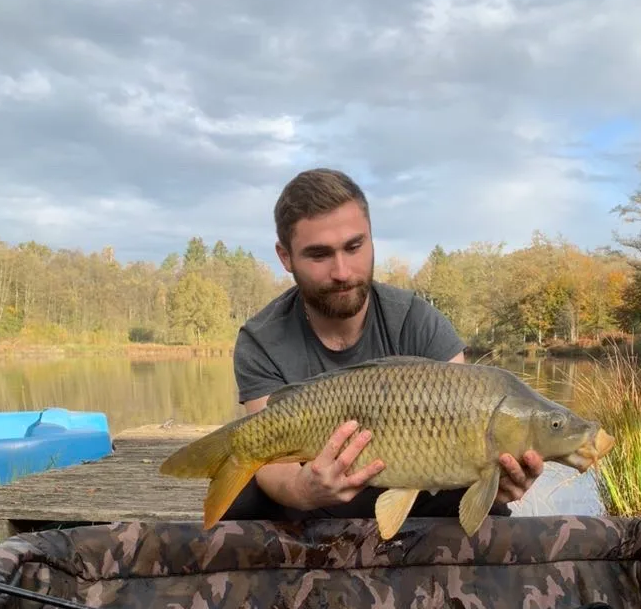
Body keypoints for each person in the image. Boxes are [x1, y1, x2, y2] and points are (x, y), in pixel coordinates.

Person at [226, 168, 544, 523]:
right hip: (317, 493)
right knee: (245, 498)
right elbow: (263, 456)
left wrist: (498, 477)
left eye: (354, 246)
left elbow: (466, 425)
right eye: (319, 255)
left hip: (421, 492)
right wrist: (302, 491)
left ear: (372, 239)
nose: (343, 271)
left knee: (487, 509)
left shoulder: (419, 322)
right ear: (285, 257)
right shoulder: (261, 339)